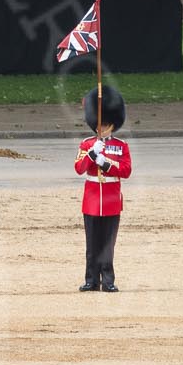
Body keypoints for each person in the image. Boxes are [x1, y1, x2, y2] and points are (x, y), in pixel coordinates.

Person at [73, 85, 130, 292]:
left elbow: (125, 170)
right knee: (92, 244)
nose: (100, 128)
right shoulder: (87, 144)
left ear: (112, 125)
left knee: (108, 244)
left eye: (104, 124)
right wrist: (91, 155)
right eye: (98, 124)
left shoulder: (121, 145)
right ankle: (91, 279)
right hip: (92, 199)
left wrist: (105, 163)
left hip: (111, 200)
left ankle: (108, 280)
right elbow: (79, 168)